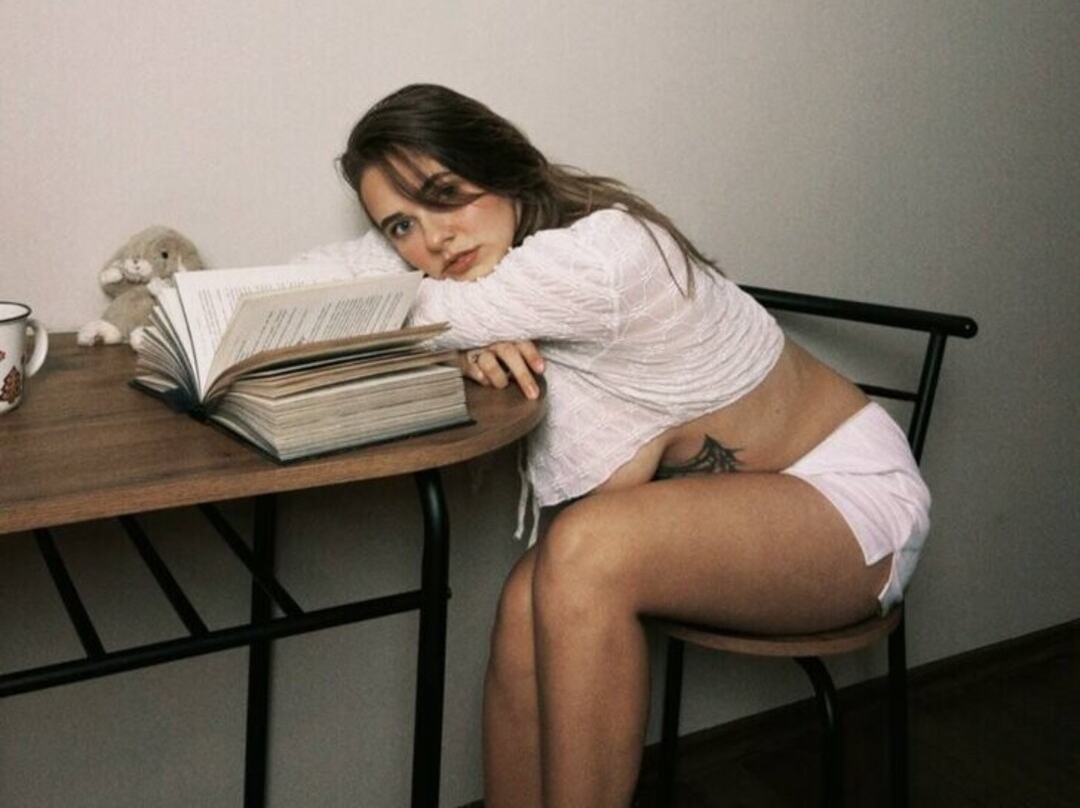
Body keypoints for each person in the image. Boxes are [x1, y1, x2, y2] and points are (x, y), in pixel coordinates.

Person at [299, 83, 930, 808]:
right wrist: (466, 341)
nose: (433, 239)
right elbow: (344, 282)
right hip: (744, 504)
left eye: (446, 193)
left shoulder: (603, 254)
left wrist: (461, 332)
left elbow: (388, 305)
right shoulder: (507, 273)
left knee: (584, 550)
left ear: (503, 166)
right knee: (527, 598)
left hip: (851, 501)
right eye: (402, 225)